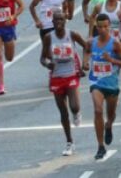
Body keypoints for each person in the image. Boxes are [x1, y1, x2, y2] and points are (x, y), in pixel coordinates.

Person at [41, 10, 89, 157]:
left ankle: (77, 113)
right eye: (56, 20)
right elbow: (42, 58)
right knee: (63, 112)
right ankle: (69, 142)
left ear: (65, 21)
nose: (59, 22)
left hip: (71, 73)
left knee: (74, 106)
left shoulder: (72, 34)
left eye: (61, 19)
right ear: (53, 22)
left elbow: (86, 46)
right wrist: (48, 64)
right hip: (56, 76)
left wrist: (84, 64)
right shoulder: (49, 38)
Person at [86, 13, 121, 160]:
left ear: (110, 27)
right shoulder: (91, 42)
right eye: (100, 27)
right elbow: (86, 51)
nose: (103, 29)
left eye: (106, 27)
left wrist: (111, 59)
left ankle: (109, 125)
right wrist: (85, 62)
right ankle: (100, 146)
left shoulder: (115, 44)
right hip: (96, 82)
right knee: (98, 110)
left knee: (110, 114)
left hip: (111, 84)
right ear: (96, 27)